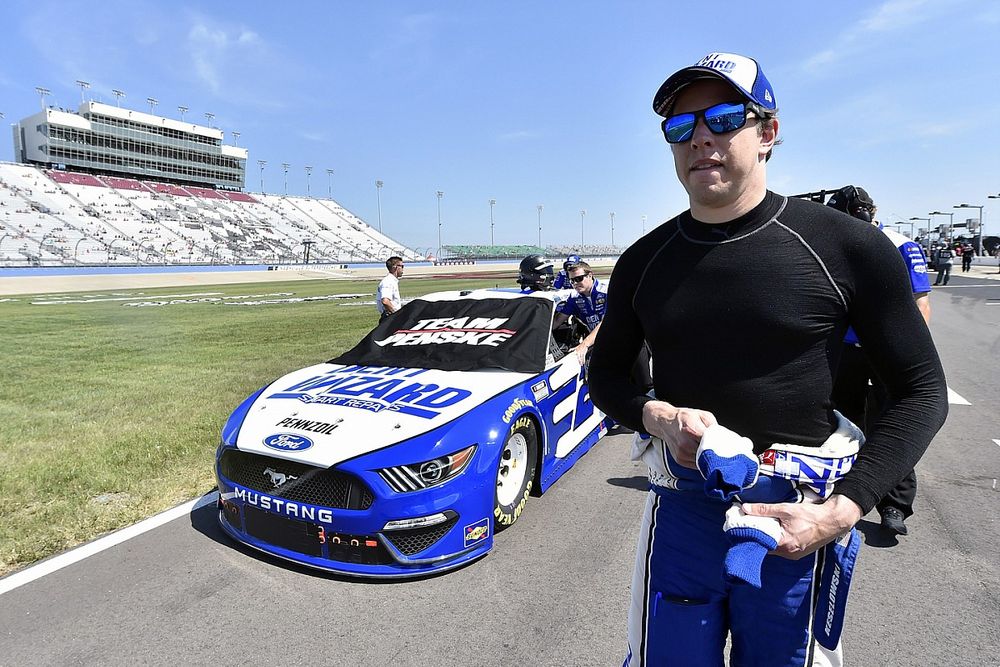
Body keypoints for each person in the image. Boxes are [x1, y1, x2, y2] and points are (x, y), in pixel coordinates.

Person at [588, 52, 948, 666]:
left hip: (798, 517)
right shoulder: (644, 260)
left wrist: (844, 510)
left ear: (768, 132)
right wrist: (655, 417)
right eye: (681, 127)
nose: (701, 137)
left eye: (724, 118)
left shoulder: (846, 246)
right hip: (682, 505)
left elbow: (922, 391)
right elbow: (605, 375)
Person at [827, 185, 932, 537]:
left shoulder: (900, 244)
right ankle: (837, 494)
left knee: (894, 424)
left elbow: (920, 301)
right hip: (844, 350)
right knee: (842, 423)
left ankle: (894, 505)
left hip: (886, 350)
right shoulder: (833, 242)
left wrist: (911, 353)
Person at [551, 261, 606, 364]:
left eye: (578, 279)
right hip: (597, 344)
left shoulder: (606, 292)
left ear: (590, 275)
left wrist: (584, 344)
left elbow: (606, 323)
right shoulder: (574, 297)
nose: (575, 283)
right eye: (572, 281)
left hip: (620, 341)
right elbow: (558, 321)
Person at [376, 256, 403, 321]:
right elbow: (385, 301)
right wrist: (395, 315)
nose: (403, 269)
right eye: (402, 266)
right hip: (389, 317)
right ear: (395, 267)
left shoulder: (392, 281)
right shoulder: (388, 281)